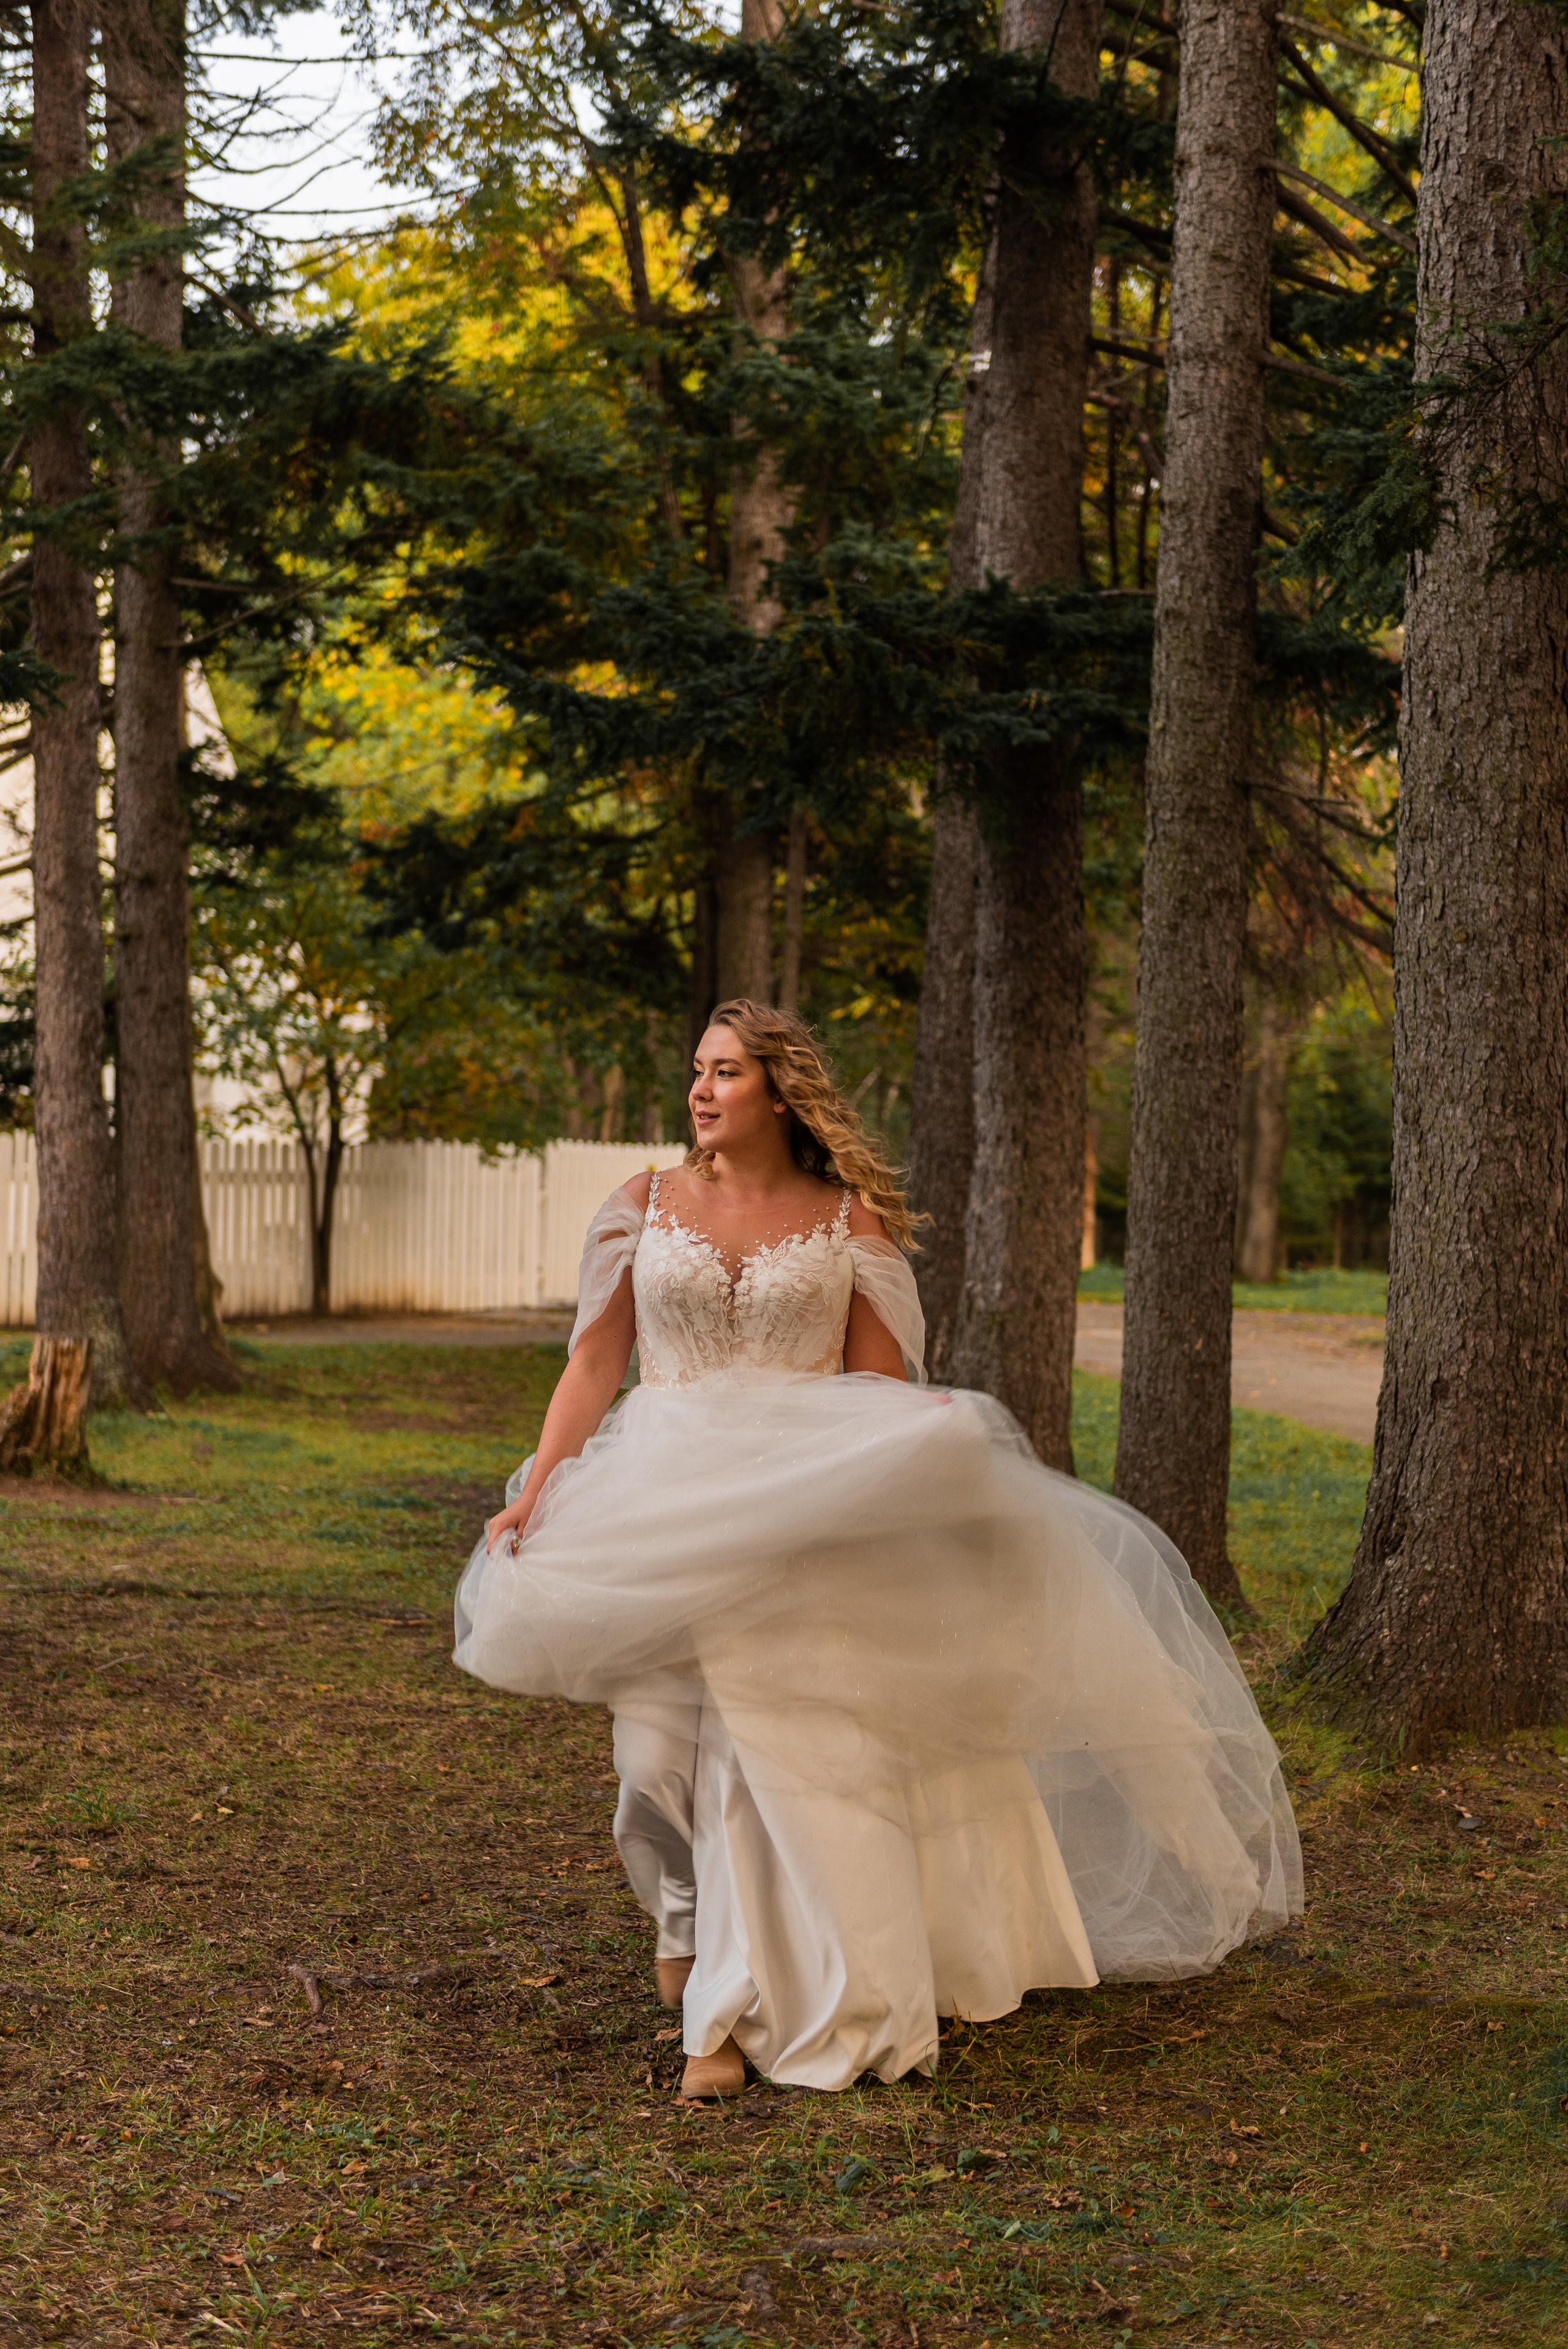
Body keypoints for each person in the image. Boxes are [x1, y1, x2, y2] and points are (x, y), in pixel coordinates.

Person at [454, 1000, 1301, 2100]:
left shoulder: (847, 1222)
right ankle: (680, 1919)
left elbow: (874, 1396)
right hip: (659, 1501)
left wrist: (934, 1444)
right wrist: (542, 1483)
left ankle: (720, 2011)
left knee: (759, 1767)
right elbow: (592, 1364)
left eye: (725, 1073)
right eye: (698, 1072)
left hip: (804, 1515)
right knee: (650, 1767)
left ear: (781, 1091)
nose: (703, 1092)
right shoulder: (642, 1205)